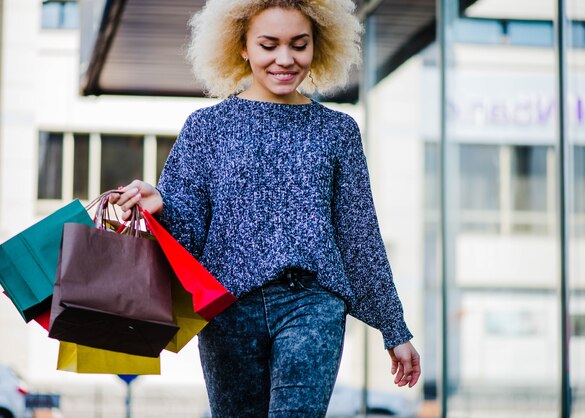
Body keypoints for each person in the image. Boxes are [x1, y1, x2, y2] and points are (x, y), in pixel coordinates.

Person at [111, 0, 421, 416]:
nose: (285, 59)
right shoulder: (206, 128)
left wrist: (394, 329)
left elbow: (358, 234)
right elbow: (188, 236)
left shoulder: (338, 131)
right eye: (268, 44)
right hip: (229, 313)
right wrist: (160, 206)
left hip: (312, 305)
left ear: (318, 45)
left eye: (299, 45)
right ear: (242, 46)